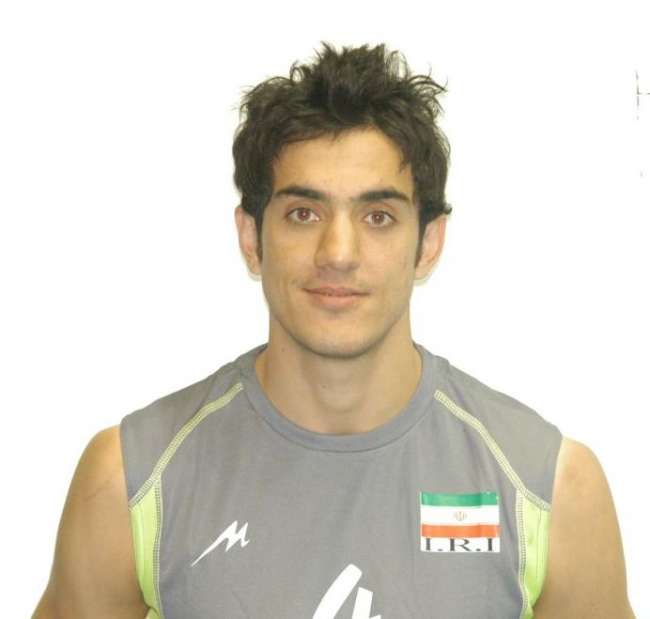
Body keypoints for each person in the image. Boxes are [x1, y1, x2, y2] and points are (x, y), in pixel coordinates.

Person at [33, 42, 635, 619]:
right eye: (303, 213)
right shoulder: (133, 479)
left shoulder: (549, 488)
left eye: (378, 216)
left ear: (428, 243)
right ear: (252, 238)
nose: (338, 253)